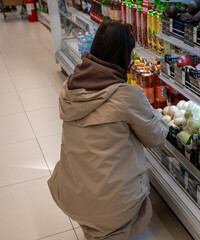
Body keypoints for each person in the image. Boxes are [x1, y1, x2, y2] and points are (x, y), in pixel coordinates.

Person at [48, 21, 169, 240]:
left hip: (69, 195)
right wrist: (160, 116)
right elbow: (156, 137)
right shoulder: (127, 95)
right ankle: (113, 227)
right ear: (124, 56)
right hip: (114, 204)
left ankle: (97, 225)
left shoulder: (69, 88)